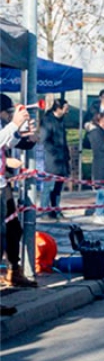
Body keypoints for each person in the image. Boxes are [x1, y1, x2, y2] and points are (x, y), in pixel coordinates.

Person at [1, 97, 38, 287]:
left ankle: (13, 270)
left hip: (2, 185)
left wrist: (28, 135)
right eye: (7, 111)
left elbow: (10, 142)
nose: (9, 115)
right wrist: (7, 162)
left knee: (12, 229)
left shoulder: (5, 127)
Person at [39, 99, 70, 220]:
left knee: (58, 187)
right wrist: (54, 153)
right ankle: (45, 210)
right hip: (52, 159)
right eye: (65, 108)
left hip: (62, 159)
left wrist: (66, 155)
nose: (67, 110)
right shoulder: (48, 121)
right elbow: (44, 140)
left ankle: (56, 209)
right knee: (49, 186)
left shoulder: (61, 121)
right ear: (58, 108)